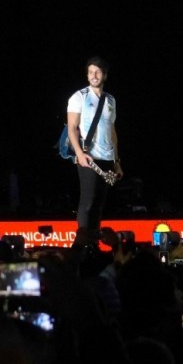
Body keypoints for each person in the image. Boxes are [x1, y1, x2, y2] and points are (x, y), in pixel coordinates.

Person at [67, 56, 123, 243]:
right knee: (88, 202)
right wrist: (79, 153)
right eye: (91, 72)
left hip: (107, 156)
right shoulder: (79, 96)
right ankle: (82, 244)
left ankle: (94, 244)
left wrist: (117, 162)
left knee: (99, 205)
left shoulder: (110, 100)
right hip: (88, 156)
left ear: (104, 75)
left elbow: (112, 131)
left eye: (98, 72)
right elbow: (72, 127)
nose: (94, 75)